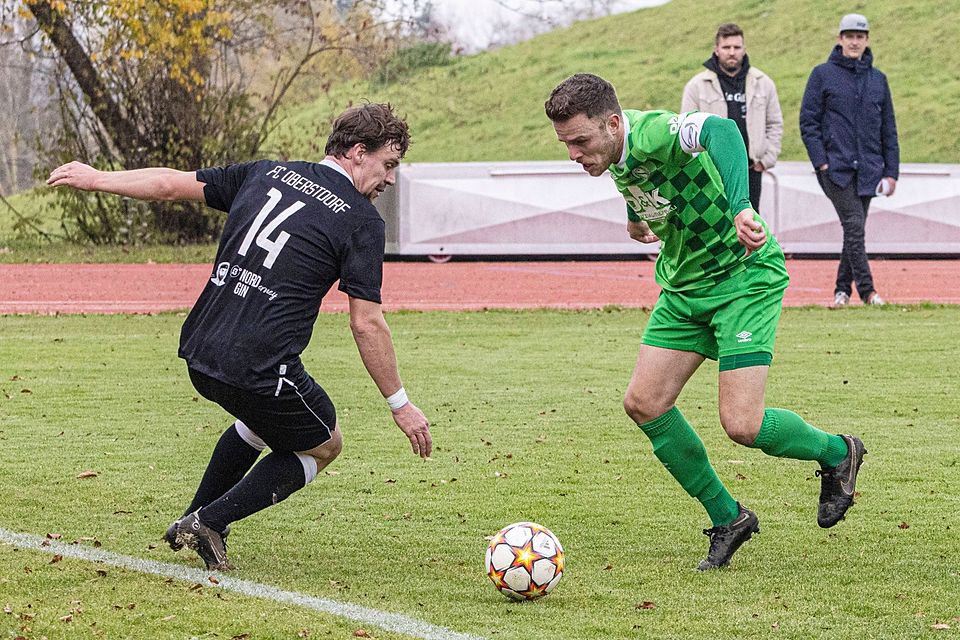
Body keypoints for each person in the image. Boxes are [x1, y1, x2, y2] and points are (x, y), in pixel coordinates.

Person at [46, 103, 432, 571]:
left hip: (200, 352)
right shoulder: (362, 221)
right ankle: (210, 520)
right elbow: (366, 322)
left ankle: (192, 518)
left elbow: (169, 185)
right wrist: (400, 404)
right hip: (257, 367)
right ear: (356, 152)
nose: (390, 179)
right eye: (388, 165)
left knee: (264, 420)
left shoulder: (265, 173)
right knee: (324, 441)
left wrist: (97, 177)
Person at [545, 73, 866, 570]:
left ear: (612, 123)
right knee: (644, 404)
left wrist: (741, 206)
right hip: (684, 289)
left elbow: (722, 132)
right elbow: (644, 185)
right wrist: (635, 217)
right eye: (566, 144)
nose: (574, 154)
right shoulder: (613, 152)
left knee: (742, 424)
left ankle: (836, 452)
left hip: (743, 277)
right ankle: (729, 517)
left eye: (580, 141)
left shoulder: (655, 132)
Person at [800, 13, 899, 307]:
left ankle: (841, 290)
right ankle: (868, 291)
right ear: (840, 39)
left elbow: (888, 128)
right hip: (835, 169)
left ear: (866, 40)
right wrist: (821, 162)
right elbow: (809, 122)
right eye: (849, 36)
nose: (854, 42)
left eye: (860, 37)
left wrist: (891, 171)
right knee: (854, 225)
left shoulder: (878, 80)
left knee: (852, 230)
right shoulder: (822, 75)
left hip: (869, 169)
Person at [681, 22, 783, 212]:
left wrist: (766, 159)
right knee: (714, 224)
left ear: (744, 50)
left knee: (750, 224)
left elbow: (774, 124)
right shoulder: (697, 86)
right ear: (717, 50)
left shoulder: (763, 83)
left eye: (736, 47)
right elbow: (686, 129)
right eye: (726, 47)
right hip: (712, 172)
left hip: (750, 170)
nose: (732, 52)